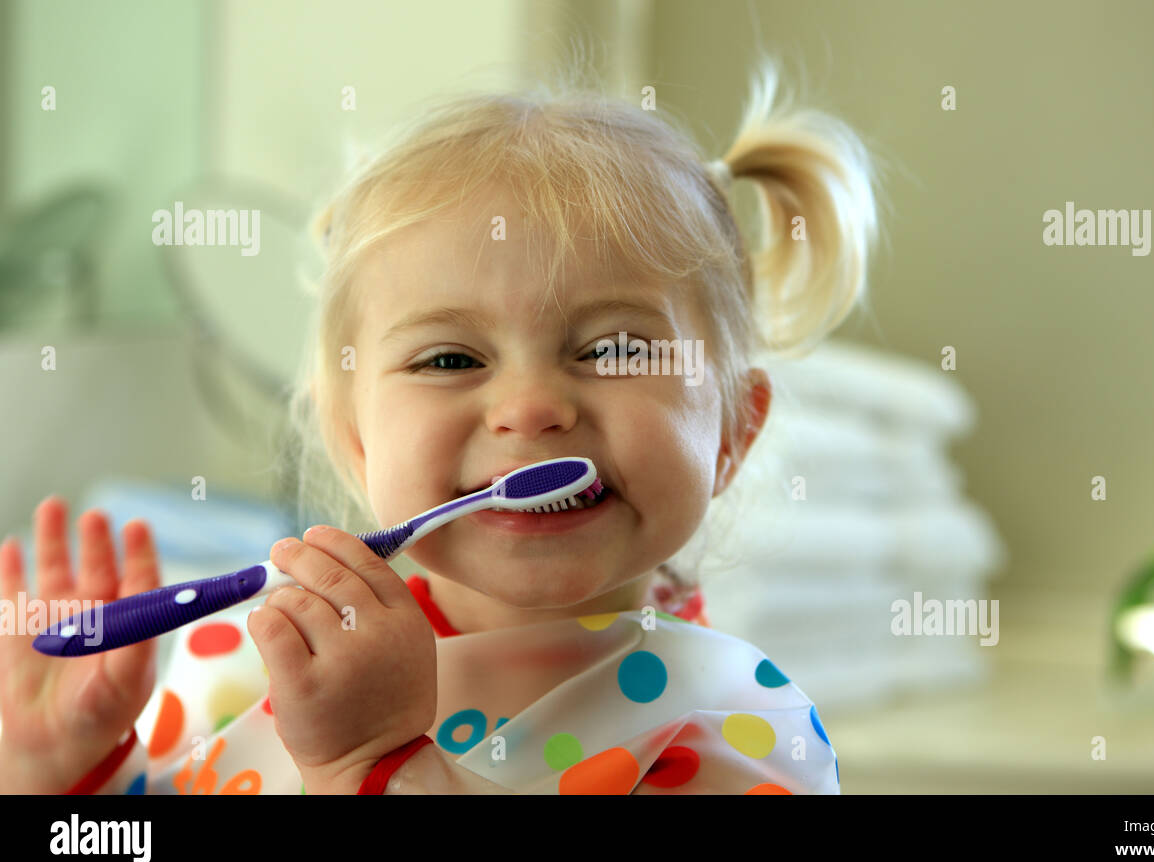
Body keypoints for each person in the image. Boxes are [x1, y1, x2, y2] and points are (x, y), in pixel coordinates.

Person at [0, 54, 885, 794]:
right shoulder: (252, 661)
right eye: (451, 359)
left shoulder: (732, 727)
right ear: (355, 441)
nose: (531, 407)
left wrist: (378, 766)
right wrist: (68, 771)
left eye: (614, 349)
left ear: (733, 431)